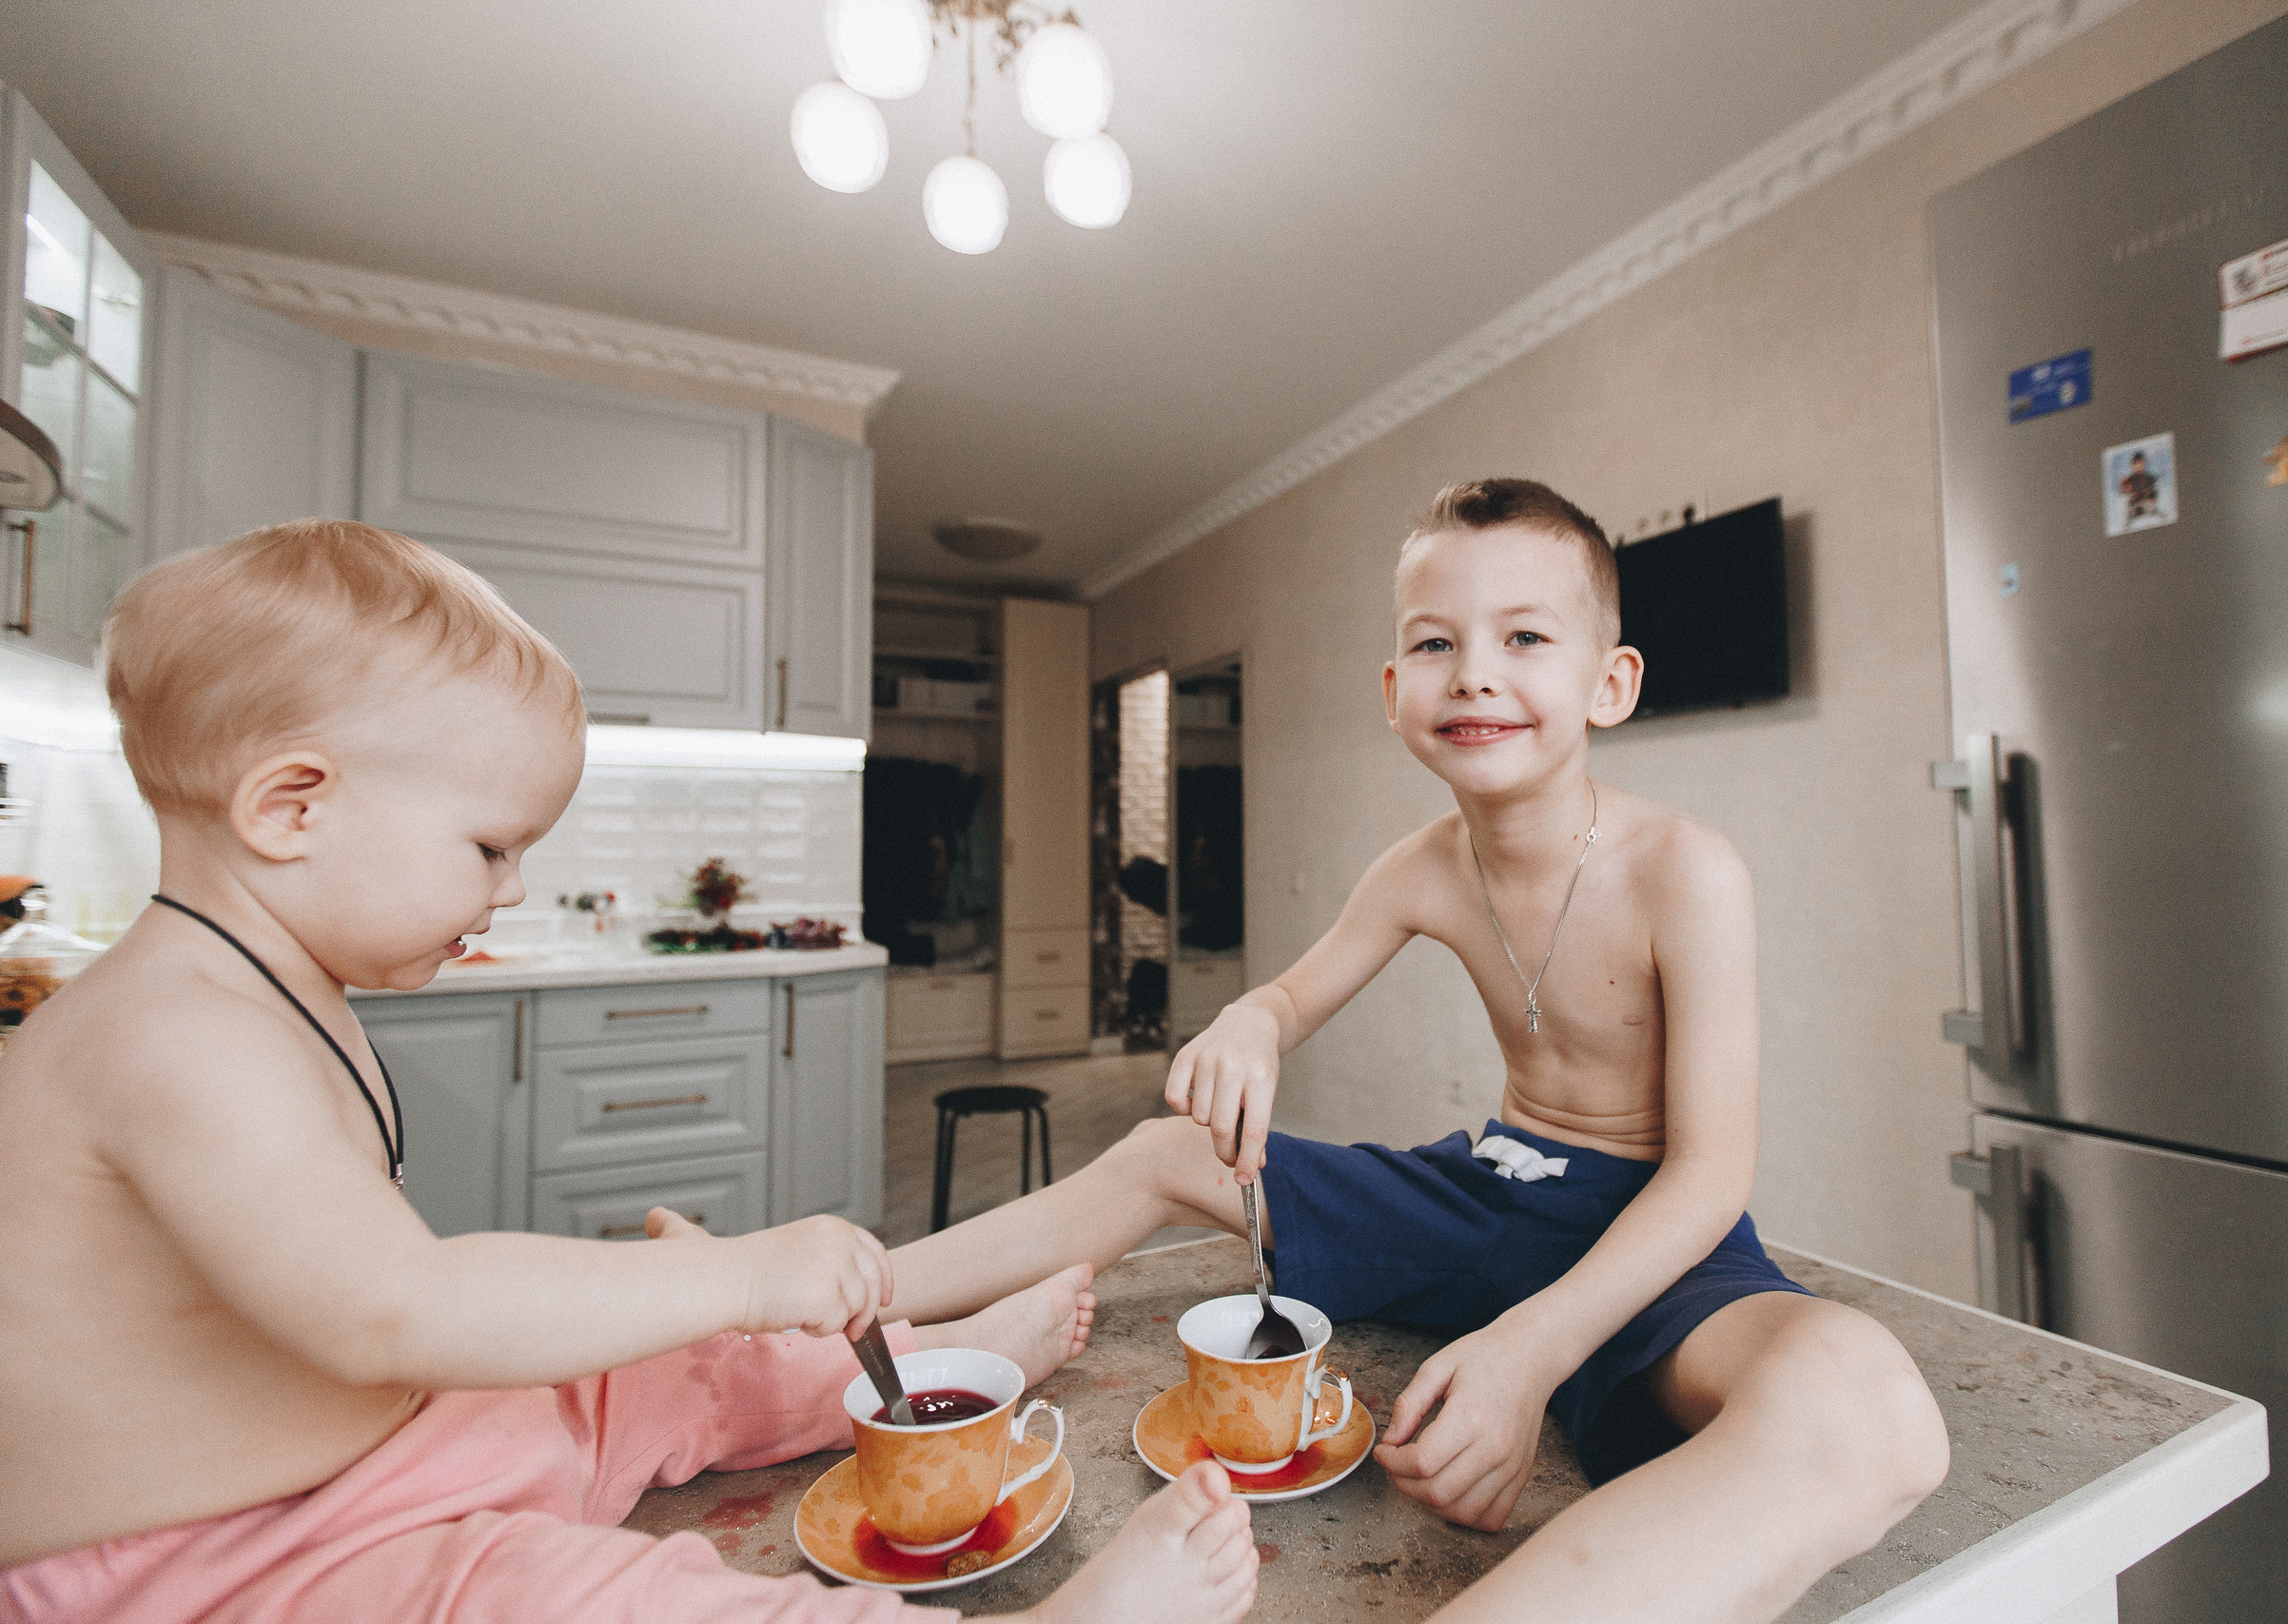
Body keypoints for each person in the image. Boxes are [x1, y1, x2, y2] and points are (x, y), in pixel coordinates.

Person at [0, 520, 1259, 1624]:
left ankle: (943, 1363)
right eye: (491, 844)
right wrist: (737, 1270)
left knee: (657, 1369)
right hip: (218, 1558)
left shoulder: (273, 984)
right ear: (291, 807)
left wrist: (697, 1297)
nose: (509, 887)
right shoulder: (174, 1032)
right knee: (579, 1599)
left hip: (390, 1443)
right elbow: (392, 1305)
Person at [885, 480, 1950, 1624]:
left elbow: (1709, 1176)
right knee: (1166, 1150)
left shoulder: (1686, 871)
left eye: (1525, 637)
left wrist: (1530, 1349)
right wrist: (1251, 1018)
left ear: (1611, 683)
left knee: (1868, 1406)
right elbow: (1291, 999)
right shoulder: (1422, 868)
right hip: (1487, 1194)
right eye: (1435, 643)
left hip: (1649, 1235)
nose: (1475, 673)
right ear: (1396, 693)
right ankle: (829, 1306)